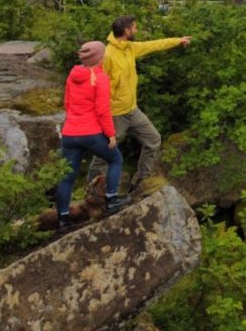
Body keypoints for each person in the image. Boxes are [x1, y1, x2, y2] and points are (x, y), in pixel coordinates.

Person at [88, 15, 191, 192]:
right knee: (105, 152)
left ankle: (141, 180)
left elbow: (153, 45)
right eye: (134, 28)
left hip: (132, 110)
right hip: (115, 114)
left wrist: (178, 41)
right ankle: (90, 186)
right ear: (126, 31)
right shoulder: (108, 55)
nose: (136, 30)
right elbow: (95, 84)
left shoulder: (129, 48)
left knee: (153, 140)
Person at [56, 41, 128, 228]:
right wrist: (110, 134)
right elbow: (103, 110)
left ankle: (63, 218)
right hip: (91, 132)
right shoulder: (100, 77)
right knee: (115, 159)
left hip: (70, 133)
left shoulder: (73, 75)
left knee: (67, 178)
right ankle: (111, 200)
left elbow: (67, 103)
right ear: (99, 58)